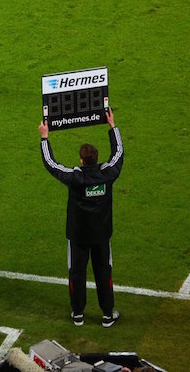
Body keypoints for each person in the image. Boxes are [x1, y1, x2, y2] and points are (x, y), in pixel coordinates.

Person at [38, 108, 124, 327]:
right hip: (102, 235)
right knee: (104, 272)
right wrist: (112, 127)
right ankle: (107, 314)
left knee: (76, 272)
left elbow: (51, 164)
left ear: (81, 161)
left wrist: (44, 138)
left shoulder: (75, 179)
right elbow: (119, 154)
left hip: (78, 236)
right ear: (95, 160)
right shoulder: (108, 175)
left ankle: (78, 314)